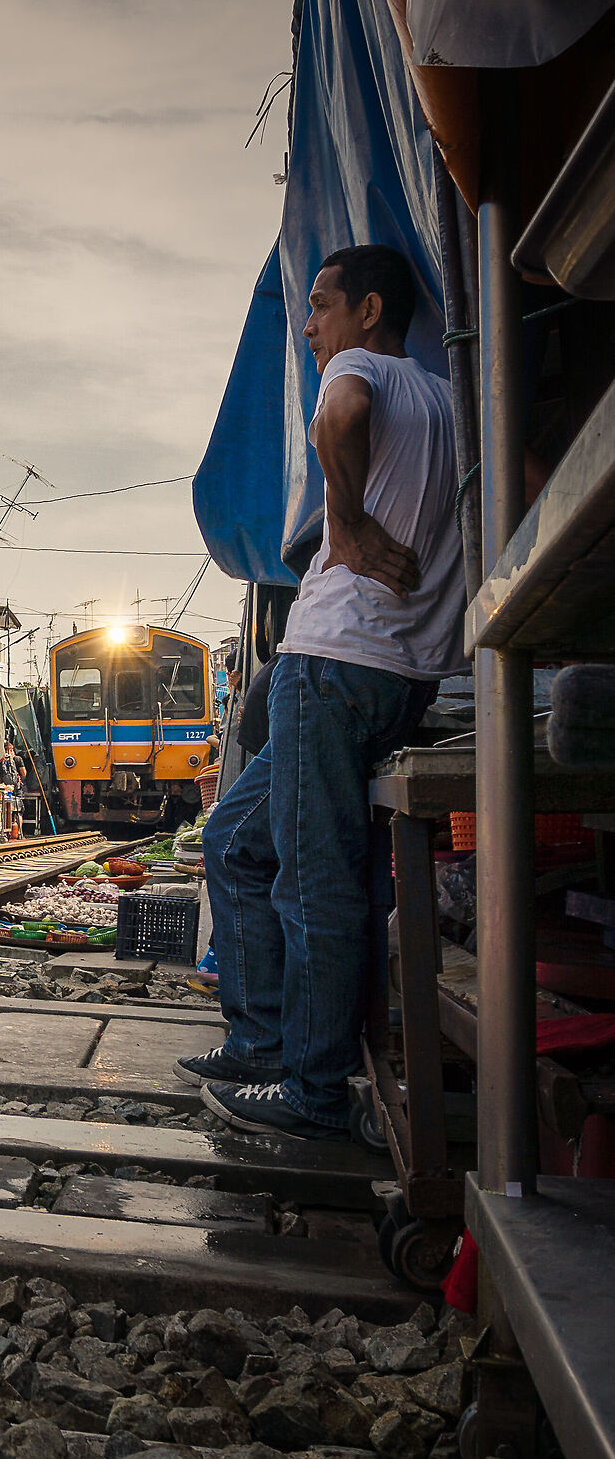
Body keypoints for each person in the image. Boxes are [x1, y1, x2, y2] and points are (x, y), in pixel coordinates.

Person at [188, 245, 463, 1141]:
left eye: (319, 305)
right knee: (235, 842)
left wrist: (346, 522)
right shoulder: (456, 402)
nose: (308, 326)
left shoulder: (361, 370)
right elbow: (537, 482)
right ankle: (261, 1044)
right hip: (401, 675)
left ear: (368, 311)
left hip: (334, 664)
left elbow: (336, 417)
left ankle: (313, 1093)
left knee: (316, 882)